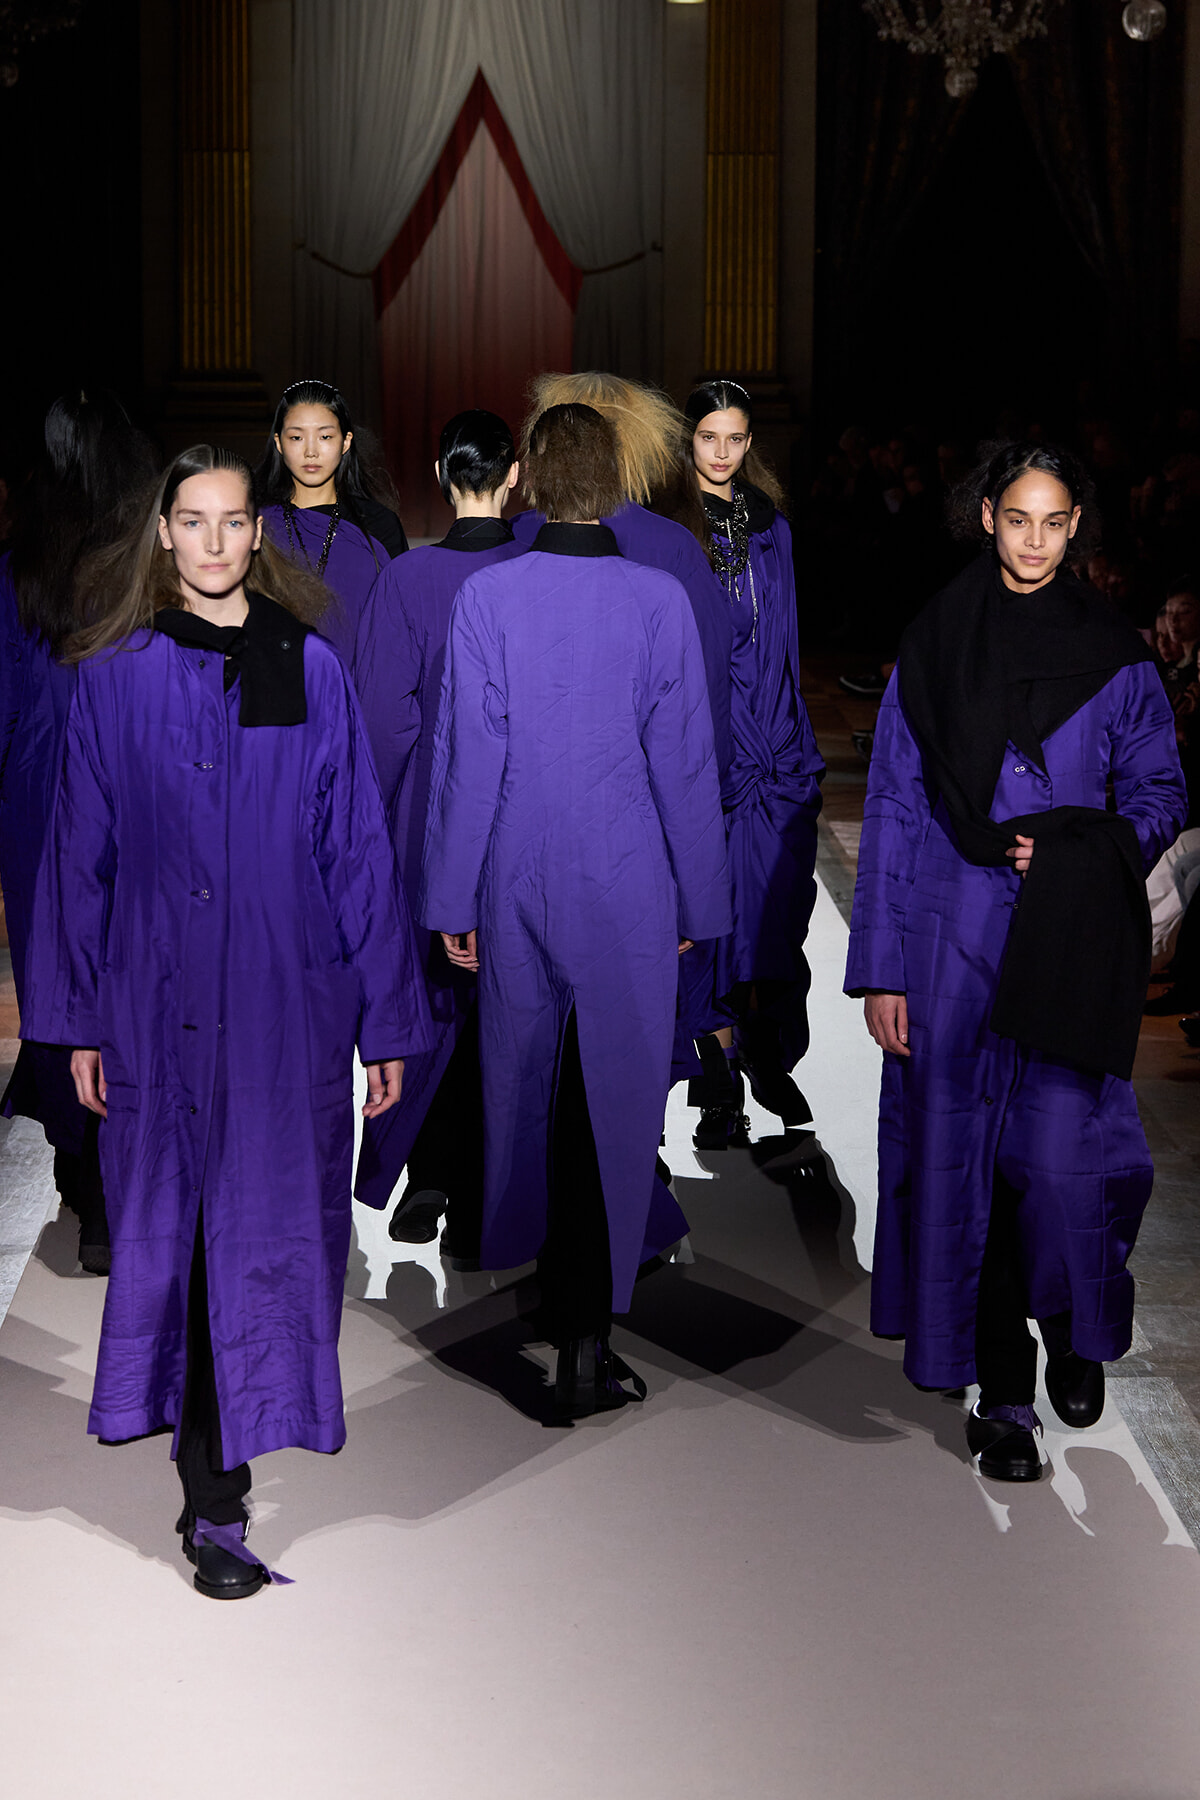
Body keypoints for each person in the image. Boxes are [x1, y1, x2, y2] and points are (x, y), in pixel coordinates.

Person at [21, 445, 431, 1597]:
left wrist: (390, 1024)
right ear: (161, 534)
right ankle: (210, 1490)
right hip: (153, 1005)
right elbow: (77, 864)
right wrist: (76, 1025)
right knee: (176, 1232)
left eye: (231, 521)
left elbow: (358, 853)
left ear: (260, 534)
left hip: (283, 1005)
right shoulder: (113, 677)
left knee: (255, 1238)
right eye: (190, 520)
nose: (211, 540)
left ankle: (221, 1489)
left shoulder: (307, 667)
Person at [846, 441, 1186, 1484]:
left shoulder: (1117, 657)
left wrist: (1087, 847)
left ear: (1077, 525)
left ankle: (1075, 1327)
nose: (1034, 541)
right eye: (1017, 518)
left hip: (1071, 936)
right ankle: (1003, 1397)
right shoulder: (936, 643)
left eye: (1054, 522)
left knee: (1068, 1163)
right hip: (954, 936)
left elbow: (1162, 795)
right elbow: (897, 811)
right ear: (986, 515)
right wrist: (885, 969)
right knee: (973, 1171)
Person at [420, 403, 730, 1420]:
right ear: (618, 480)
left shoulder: (487, 597)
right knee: (617, 1100)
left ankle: (551, 1298)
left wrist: (451, 895)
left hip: (515, 866)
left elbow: (469, 763)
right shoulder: (656, 603)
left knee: (527, 1089)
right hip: (630, 871)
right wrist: (700, 896)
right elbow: (685, 764)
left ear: (528, 480)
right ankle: (593, 1334)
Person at [353, 409, 524, 1259]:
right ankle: (498, 1178)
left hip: (431, 814)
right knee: (516, 1001)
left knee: (432, 998)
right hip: (528, 816)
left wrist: (369, 839)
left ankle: (429, 1171)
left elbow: (384, 724)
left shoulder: (408, 582)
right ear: (514, 476)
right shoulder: (536, 571)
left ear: (441, 475)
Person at [0, 389, 158, 1273]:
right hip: (135, 796)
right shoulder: (152, 571)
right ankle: (120, 1182)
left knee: (58, 984)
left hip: (39, 801)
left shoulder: (20, 572)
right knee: (130, 979)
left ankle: (85, 1182)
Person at [668, 379, 825, 1145]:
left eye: (736, 438)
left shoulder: (773, 528)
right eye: (710, 438)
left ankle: (766, 1056)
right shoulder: (672, 530)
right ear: (687, 441)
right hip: (708, 744)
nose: (724, 453)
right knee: (710, 917)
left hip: (773, 741)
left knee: (771, 913)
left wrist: (792, 738)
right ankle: (718, 1071)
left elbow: (787, 641)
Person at [255, 379, 407, 664]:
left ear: (346, 442)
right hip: (275, 690)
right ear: (278, 442)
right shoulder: (257, 525)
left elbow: (400, 628)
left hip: (359, 693)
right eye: (296, 437)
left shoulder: (378, 525)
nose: (311, 451)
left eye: (325, 437)